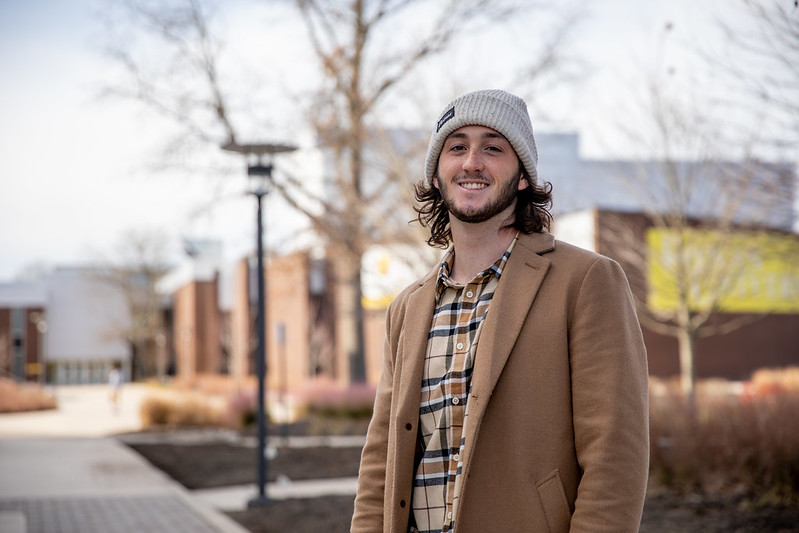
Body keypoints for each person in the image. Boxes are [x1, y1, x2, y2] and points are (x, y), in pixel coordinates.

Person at [351, 89, 649, 533]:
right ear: (437, 174)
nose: (472, 162)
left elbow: (615, 456)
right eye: (457, 147)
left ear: (523, 176)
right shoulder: (407, 308)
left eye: (493, 147)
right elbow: (381, 460)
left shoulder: (585, 281)